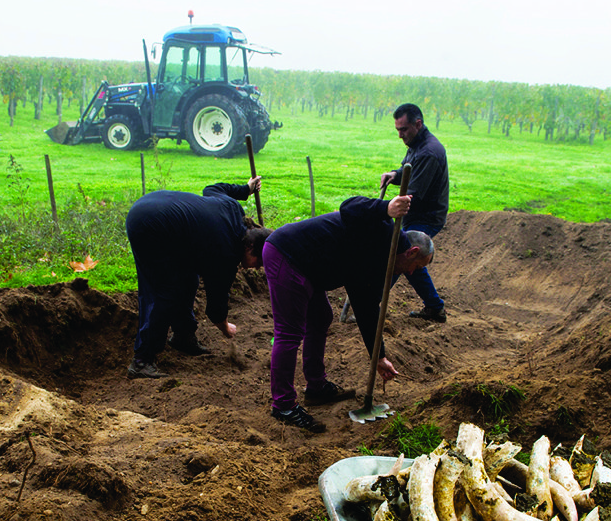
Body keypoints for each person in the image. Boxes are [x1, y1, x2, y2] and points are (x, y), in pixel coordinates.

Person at [263, 193, 434, 433]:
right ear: (412, 252)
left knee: (321, 317)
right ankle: (283, 405)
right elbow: (349, 206)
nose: (414, 273)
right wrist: (387, 207)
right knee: (289, 333)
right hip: (289, 254)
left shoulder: (380, 268)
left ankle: (316, 387)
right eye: (418, 266)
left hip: (311, 269)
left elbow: (367, 311)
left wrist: (379, 357)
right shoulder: (382, 228)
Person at [124, 177, 270, 379]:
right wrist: (225, 328)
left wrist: (245, 189)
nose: (257, 268)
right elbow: (215, 306)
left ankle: (183, 337)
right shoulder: (226, 253)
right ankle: (142, 359)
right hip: (150, 225)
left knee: (189, 277)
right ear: (250, 247)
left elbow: (212, 188)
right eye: (259, 262)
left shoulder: (233, 209)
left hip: (156, 207)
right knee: (165, 292)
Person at [379, 102, 450, 323]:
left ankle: (370, 303)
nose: (400, 135)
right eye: (397, 130)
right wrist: (395, 174)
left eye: (404, 129)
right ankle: (434, 307)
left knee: (405, 255)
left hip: (426, 216)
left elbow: (414, 194)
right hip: (415, 213)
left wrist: (386, 209)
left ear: (417, 124)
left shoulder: (429, 152)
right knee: (408, 257)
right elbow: (409, 170)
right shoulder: (417, 143)